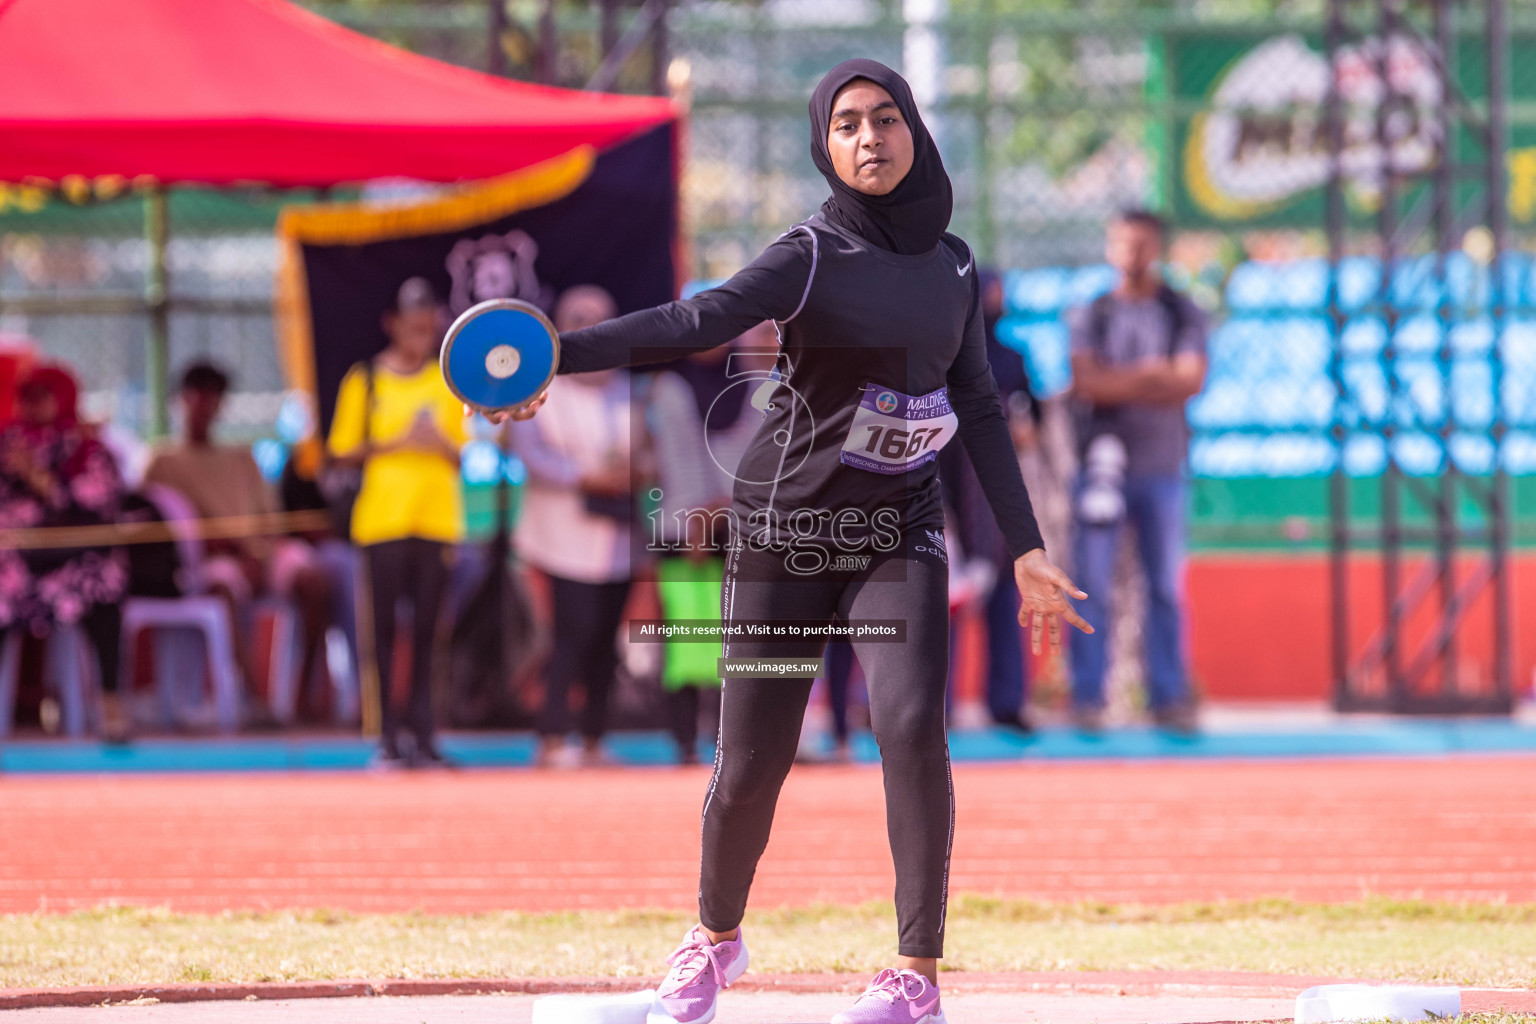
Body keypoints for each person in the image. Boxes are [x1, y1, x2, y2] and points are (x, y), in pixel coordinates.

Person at [490, 60, 1091, 1024]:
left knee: (910, 732)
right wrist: (559, 356)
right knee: (751, 762)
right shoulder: (809, 253)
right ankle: (715, 940)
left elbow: (977, 400)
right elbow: (696, 321)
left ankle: (915, 977)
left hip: (900, 527)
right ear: (827, 146)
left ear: (913, 130)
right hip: (784, 532)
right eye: (847, 125)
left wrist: (1025, 544)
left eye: (885, 119)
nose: (869, 138)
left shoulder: (955, 264)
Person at [1066, 208, 1208, 736]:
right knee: (1091, 587)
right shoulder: (1092, 313)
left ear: (1159, 248)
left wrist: (1119, 380)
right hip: (1100, 470)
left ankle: (1168, 696)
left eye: (1143, 244)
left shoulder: (1181, 312)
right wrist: (1154, 377)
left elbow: (1191, 380)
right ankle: (1087, 698)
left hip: (1162, 469)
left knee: (1165, 588)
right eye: (1124, 243)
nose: (1133, 254)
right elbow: (1086, 383)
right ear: (1110, 247)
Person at [328, 277, 468, 768]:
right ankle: (387, 736)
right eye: (413, 328)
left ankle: (426, 735)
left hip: (437, 521)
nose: (421, 337)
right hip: (382, 521)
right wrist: (397, 442)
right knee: (382, 634)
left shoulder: (448, 379)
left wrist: (438, 444)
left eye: (429, 328)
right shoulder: (364, 378)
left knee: (431, 635)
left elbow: (464, 450)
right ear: (393, 325)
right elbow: (341, 451)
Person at [144, 361, 334, 717]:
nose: (204, 407)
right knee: (224, 590)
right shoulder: (162, 461)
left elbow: (271, 517)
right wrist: (228, 549)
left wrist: (260, 552)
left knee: (314, 582)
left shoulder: (242, 457)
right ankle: (255, 700)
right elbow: (162, 525)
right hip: (207, 563)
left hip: (261, 553)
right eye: (196, 397)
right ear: (181, 401)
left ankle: (302, 698)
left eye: (212, 398)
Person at [508, 285, 641, 769]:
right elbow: (530, 454)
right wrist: (586, 477)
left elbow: (647, 454)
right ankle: (550, 737)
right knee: (571, 633)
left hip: (621, 537)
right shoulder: (539, 389)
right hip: (561, 535)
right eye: (579, 317)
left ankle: (592, 739)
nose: (589, 327)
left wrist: (636, 468)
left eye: (600, 319)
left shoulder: (630, 389)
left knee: (606, 641)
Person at [0, 363, 130, 741]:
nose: (32, 405)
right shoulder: (8, 442)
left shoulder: (87, 448)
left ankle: (110, 703)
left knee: (104, 580)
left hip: (73, 561)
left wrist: (38, 479)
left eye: (43, 395)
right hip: (16, 565)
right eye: (27, 396)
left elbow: (97, 506)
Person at [937, 267, 1039, 733]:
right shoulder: (938, 353)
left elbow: (1032, 421)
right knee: (942, 596)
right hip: (946, 488)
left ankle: (1007, 700)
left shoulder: (1012, 358)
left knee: (1002, 590)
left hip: (994, 494)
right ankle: (935, 706)